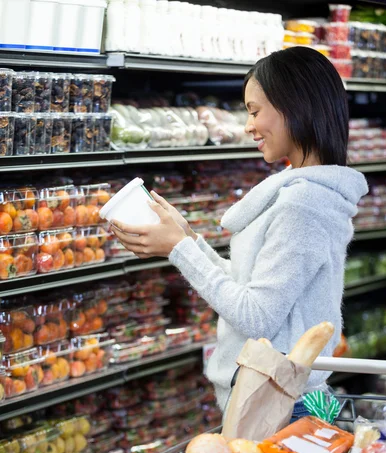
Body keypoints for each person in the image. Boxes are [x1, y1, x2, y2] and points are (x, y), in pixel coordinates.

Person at [111, 46, 368, 413]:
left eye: (255, 111)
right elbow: (254, 285)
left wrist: (179, 250)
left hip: (278, 402)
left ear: (294, 106)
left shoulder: (303, 204)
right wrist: (189, 241)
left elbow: (257, 316)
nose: (248, 126)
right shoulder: (301, 191)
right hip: (277, 395)